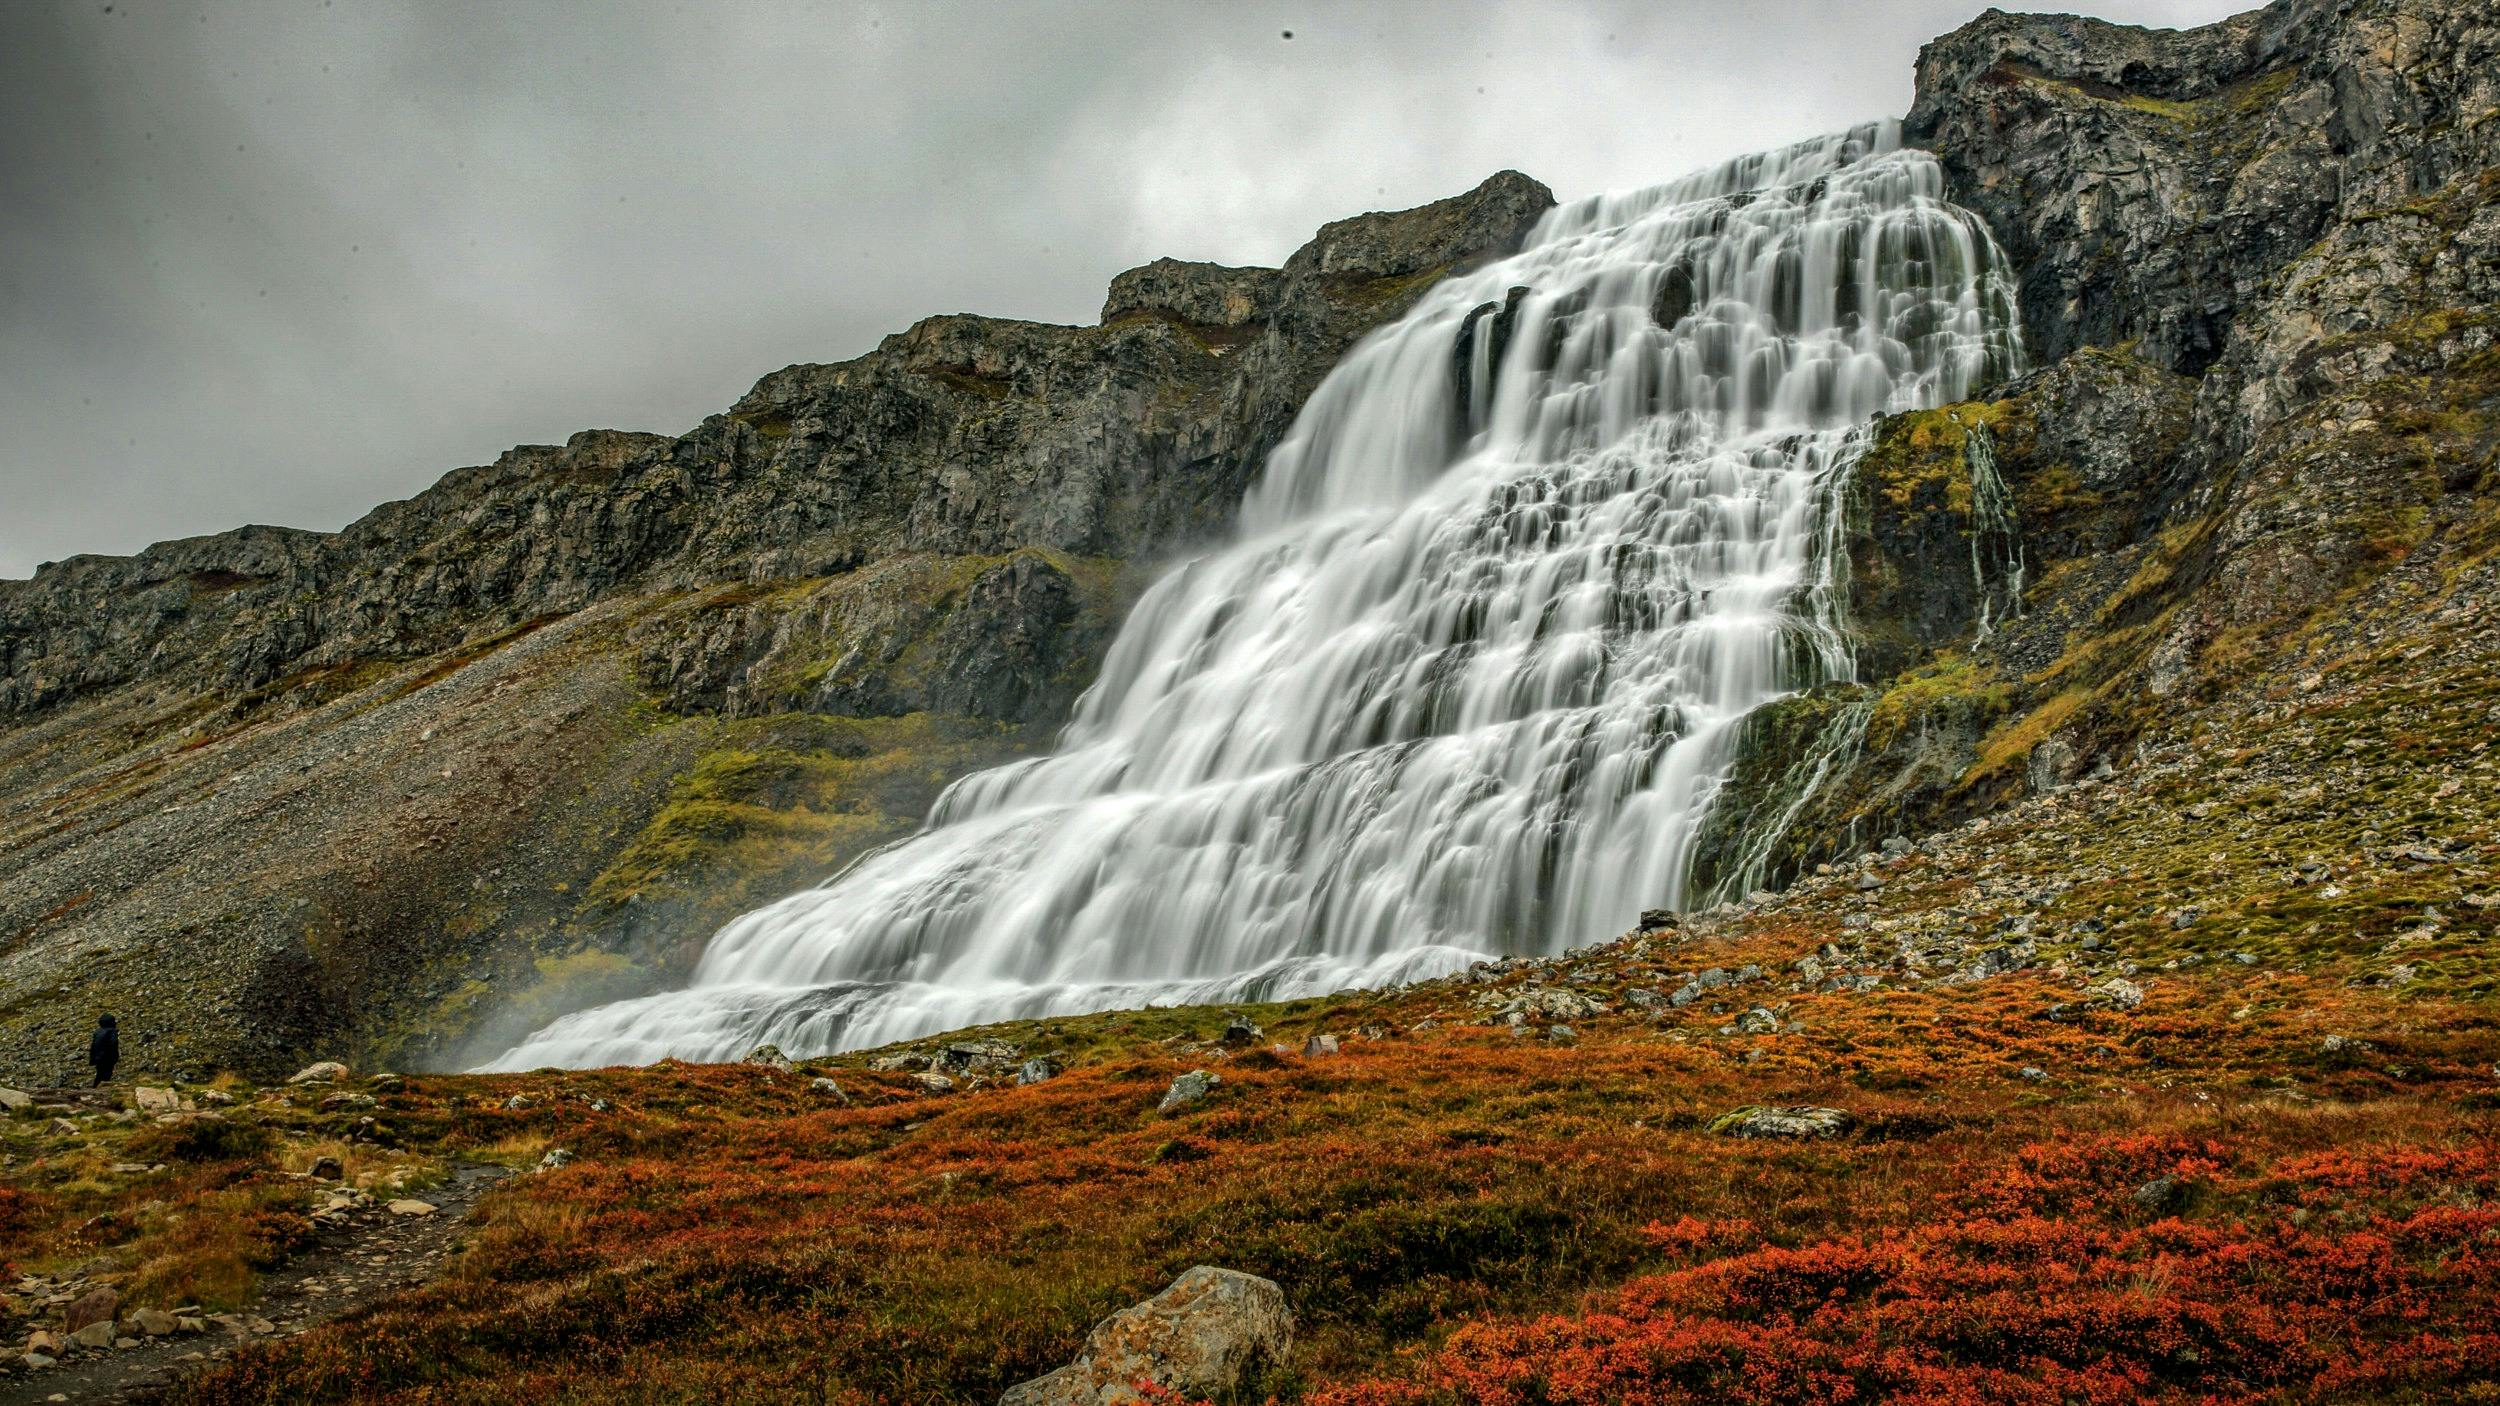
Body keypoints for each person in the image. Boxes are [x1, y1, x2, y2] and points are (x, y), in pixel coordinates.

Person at [88, 1014, 118, 1087]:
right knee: (106, 1075)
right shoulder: (112, 1032)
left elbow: (93, 1046)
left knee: (99, 1074)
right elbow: (113, 1044)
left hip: (98, 1058)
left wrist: (92, 1058)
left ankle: (95, 1088)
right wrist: (115, 1057)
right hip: (107, 1058)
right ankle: (100, 1091)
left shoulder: (98, 1032)